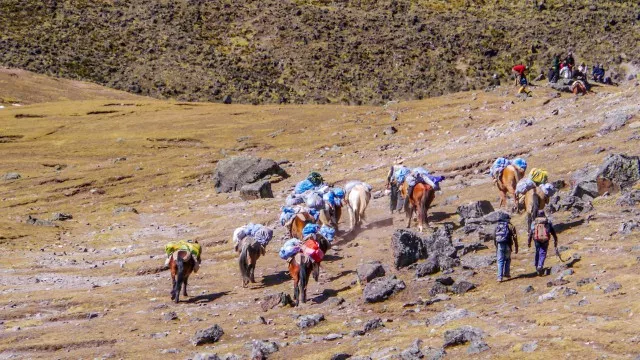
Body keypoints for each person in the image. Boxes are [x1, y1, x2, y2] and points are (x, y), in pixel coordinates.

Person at [527, 211, 558, 276]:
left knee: (537, 251)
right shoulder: (547, 222)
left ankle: (536, 266)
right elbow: (552, 231)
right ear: (544, 214)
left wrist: (529, 241)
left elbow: (531, 232)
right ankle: (540, 265)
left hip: (536, 239)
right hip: (545, 240)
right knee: (543, 252)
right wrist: (555, 240)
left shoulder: (534, 222)